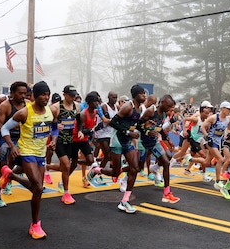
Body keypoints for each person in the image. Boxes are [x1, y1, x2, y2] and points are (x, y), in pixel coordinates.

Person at [0, 81, 58, 239]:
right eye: (43, 95)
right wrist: (12, 146)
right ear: (34, 96)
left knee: (36, 189)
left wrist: (54, 140)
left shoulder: (51, 111)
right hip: (26, 151)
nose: (46, 98)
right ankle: (35, 225)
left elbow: (54, 127)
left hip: (41, 153)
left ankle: (10, 175)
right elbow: (4, 128)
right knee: (38, 188)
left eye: (48, 95)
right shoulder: (25, 112)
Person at [86, 85, 145, 213]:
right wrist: (128, 133)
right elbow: (112, 122)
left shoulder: (139, 108)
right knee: (115, 172)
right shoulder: (127, 106)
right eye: (141, 94)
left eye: (144, 94)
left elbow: (133, 124)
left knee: (135, 168)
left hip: (127, 141)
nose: (144, 96)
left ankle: (125, 201)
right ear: (135, 95)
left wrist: (144, 128)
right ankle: (97, 170)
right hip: (117, 140)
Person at [137, 94, 180, 203]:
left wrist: (167, 138)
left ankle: (166, 193)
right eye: (169, 107)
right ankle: (122, 176)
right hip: (143, 142)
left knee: (167, 160)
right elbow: (138, 125)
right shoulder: (151, 111)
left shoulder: (164, 114)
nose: (170, 110)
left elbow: (158, 128)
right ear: (162, 104)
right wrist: (147, 131)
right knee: (136, 168)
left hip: (154, 141)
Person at [46, 85, 83, 205]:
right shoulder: (55, 107)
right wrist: (56, 127)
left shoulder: (76, 106)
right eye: (71, 95)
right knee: (67, 166)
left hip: (70, 139)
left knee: (64, 167)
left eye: (74, 96)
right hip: (59, 140)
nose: (73, 98)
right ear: (64, 95)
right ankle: (66, 193)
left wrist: (80, 130)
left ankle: (47, 167)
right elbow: (46, 123)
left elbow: (79, 120)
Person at [0, 81, 28, 207]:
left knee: (25, 166)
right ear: (12, 93)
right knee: (4, 169)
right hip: (5, 139)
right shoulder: (5, 105)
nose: (23, 96)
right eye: (20, 93)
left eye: (25, 93)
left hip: (21, 139)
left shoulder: (27, 105)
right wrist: (12, 131)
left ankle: (10, 178)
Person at [201, 101, 230, 190]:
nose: (229, 111)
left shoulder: (228, 119)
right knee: (220, 159)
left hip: (218, 141)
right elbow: (202, 127)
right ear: (222, 109)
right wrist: (207, 137)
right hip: (211, 141)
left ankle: (190, 160)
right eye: (228, 109)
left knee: (207, 162)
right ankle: (218, 181)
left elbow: (229, 128)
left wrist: (228, 134)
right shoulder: (214, 118)